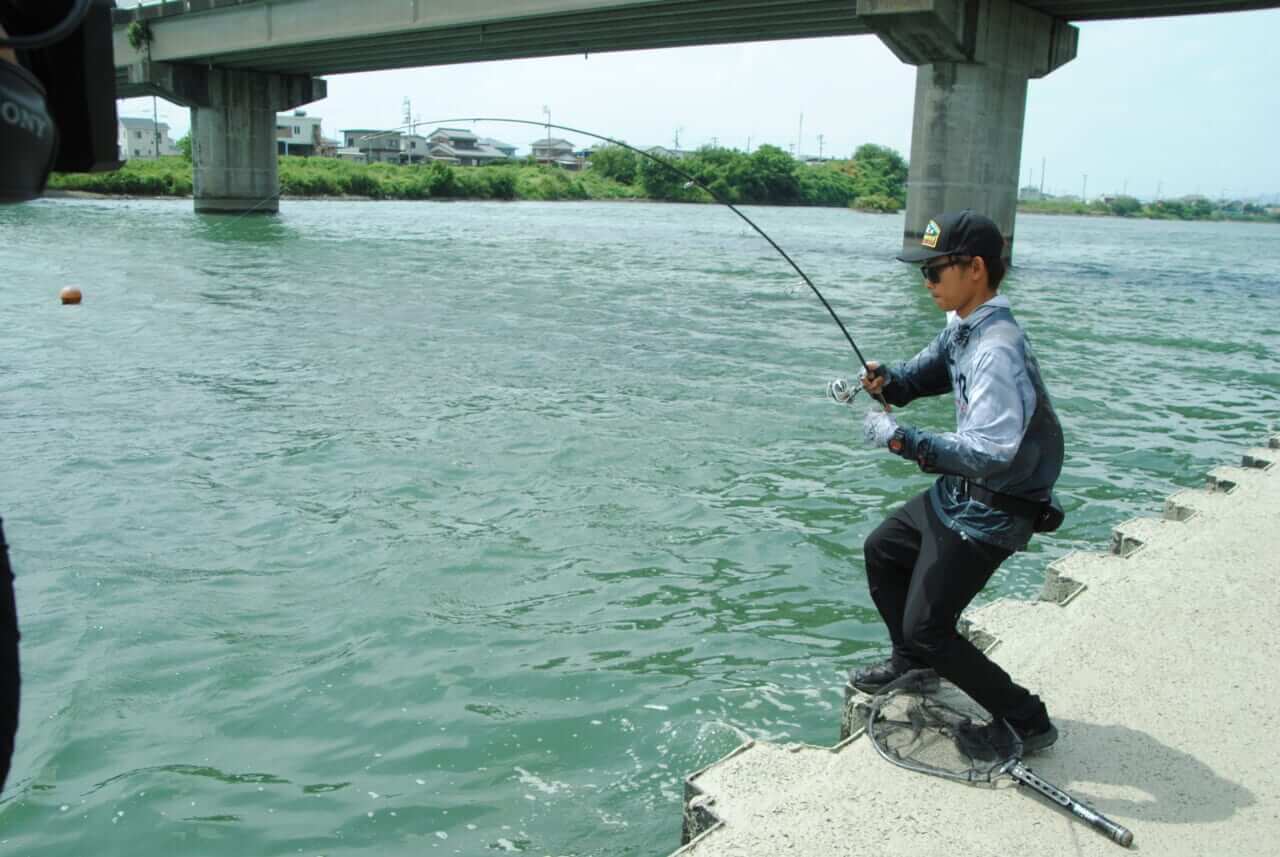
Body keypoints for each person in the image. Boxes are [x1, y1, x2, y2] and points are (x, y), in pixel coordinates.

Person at [843, 210, 1064, 759]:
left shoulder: (996, 351)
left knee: (929, 627)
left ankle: (1027, 720)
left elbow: (989, 455)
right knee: (884, 550)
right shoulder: (965, 326)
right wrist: (889, 381)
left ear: (976, 269)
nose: (927, 282)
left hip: (996, 504)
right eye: (924, 271)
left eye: (936, 270)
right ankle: (915, 666)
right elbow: (926, 372)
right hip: (962, 493)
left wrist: (902, 440)